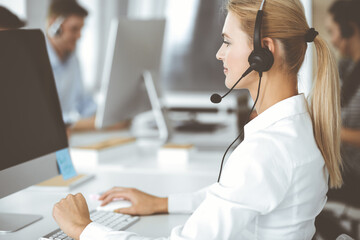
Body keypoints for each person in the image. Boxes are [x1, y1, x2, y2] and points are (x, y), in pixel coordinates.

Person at [52, 0, 343, 239]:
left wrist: (83, 229)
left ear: (263, 52)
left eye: (228, 42)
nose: (219, 53)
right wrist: (162, 203)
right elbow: (236, 194)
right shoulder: (298, 126)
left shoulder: (266, 150)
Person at [315, 0, 360, 238]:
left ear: (349, 28)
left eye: (332, 31)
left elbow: (338, 126)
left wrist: (333, 131)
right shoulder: (346, 67)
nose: (331, 39)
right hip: (342, 169)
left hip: (354, 177)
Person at [46, 0, 97, 128]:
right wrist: (77, 123)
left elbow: (82, 103)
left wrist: (103, 116)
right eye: (74, 29)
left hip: (68, 135)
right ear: (53, 24)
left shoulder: (73, 60)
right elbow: (40, 117)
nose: (79, 36)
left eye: (81, 29)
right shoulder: (35, 60)